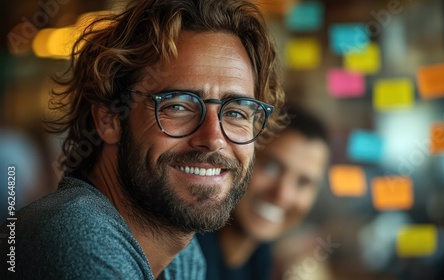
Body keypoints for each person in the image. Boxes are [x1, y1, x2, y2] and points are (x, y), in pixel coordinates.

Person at [0, 0, 285, 279]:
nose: (213, 139)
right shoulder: (76, 238)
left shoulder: (182, 254)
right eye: (178, 106)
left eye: (236, 112)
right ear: (109, 119)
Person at [197, 108, 330, 280]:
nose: (283, 194)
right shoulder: (183, 253)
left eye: (303, 182)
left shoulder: (261, 258)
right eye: (271, 167)